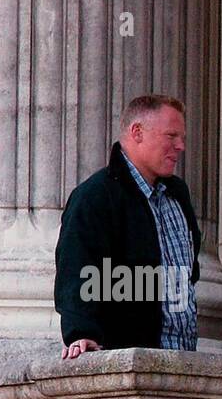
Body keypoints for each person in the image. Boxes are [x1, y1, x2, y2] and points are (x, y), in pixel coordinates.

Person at [54, 94, 201, 359]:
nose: (180, 146)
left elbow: (190, 273)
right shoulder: (95, 196)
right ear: (137, 132)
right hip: (131, 362)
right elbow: (76, 269)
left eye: (182, 137)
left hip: (185, 357)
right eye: (171, 136)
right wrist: (81, 331)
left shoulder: (178, 194)